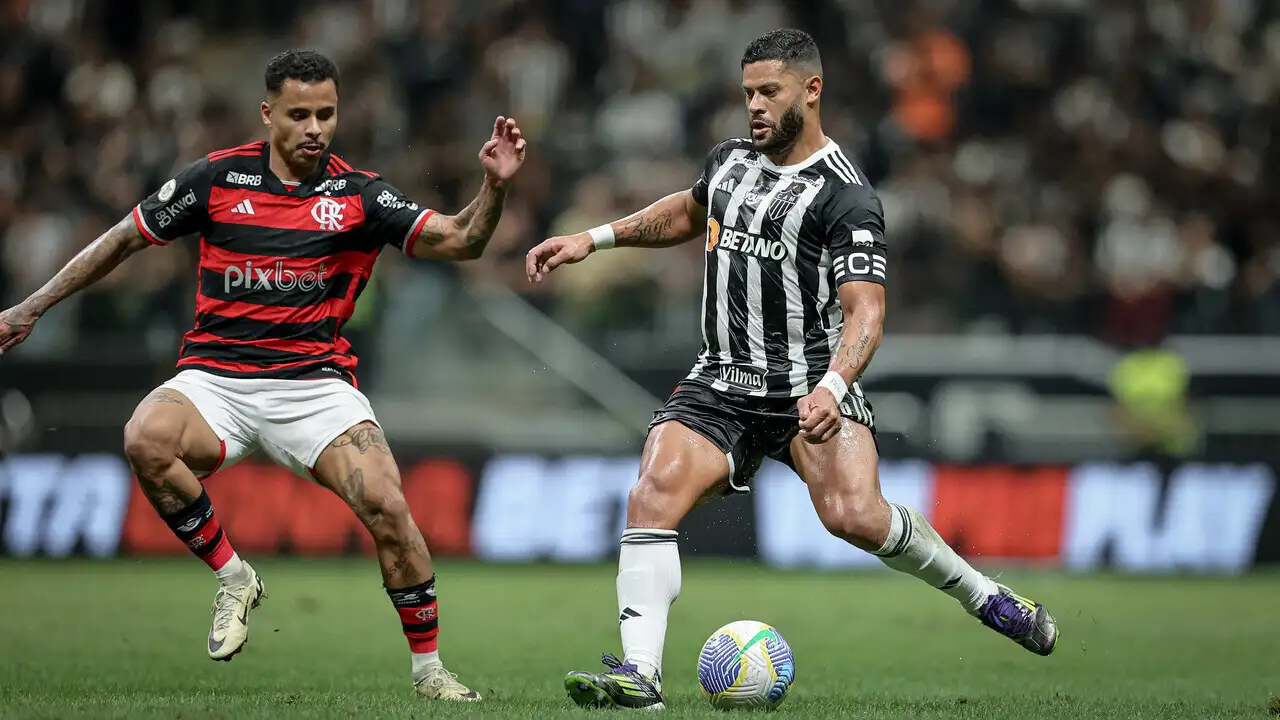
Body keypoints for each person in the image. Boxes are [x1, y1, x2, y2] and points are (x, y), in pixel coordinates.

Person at [526, 29, 1057, 711]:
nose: (754, 105)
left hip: (810, 387)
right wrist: (592, 239)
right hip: (721, 382)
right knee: (651, 493)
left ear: (811, 90)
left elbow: (867, 312)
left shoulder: (847, 197)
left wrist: (834, 387)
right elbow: (688, 212)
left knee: (855, 517)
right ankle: (641, 677)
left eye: (768, 92)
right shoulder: (729, 160)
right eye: (748, 92)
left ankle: (987, 597)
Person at [0, 49, 526, 702]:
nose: (315, 128)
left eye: (327, 114)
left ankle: (430, 673)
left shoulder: (359, 195)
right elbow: (123, 239)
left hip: (314, 386)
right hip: (215, 379)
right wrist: (30, 308)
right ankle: (233, 576)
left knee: (391, 508)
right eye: (300, 113)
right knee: (144, 438)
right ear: (268, 112)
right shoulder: (217, 179)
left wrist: (495, 187)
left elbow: (461, 240)